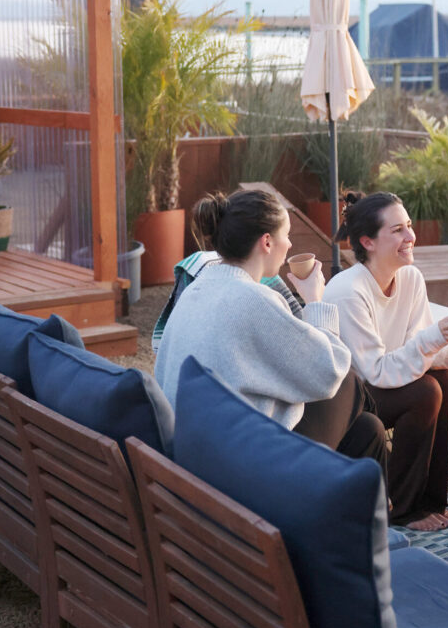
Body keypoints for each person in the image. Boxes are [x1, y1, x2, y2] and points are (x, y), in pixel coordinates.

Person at [154, 190, 386, 466]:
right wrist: (314, 300)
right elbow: (328, 371)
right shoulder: (254, 299)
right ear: (266, 241)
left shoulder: (196, 289)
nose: (289, 245)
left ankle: (379, 504)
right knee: (347, 382)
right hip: (242, 468)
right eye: (286, 235)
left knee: (368, 431)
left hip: (195, 454)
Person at [324, 191, 448, 532]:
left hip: (383, 381)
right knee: (425, 392)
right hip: (349, 400)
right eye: (397, 230)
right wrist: (437, 338)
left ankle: (430, 500)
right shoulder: (349, 291)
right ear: (367, 241)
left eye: (408, 226)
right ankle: (402, 507)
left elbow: (416, 346)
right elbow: (375, 371)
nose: (410, 237)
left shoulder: (410, 278)